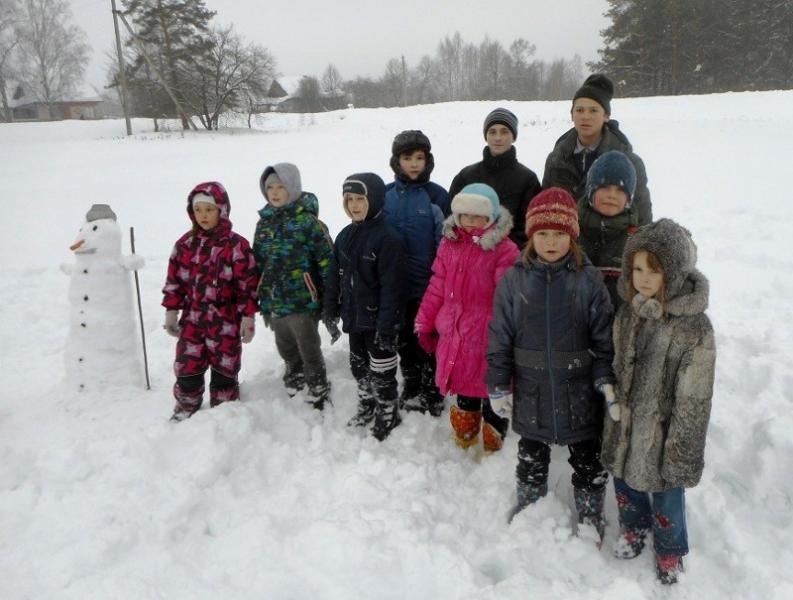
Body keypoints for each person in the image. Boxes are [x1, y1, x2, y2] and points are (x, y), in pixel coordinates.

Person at [486, 188, 615, 540]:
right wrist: (497, 383)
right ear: (531, 235)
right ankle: (529, 507)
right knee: (530, 456)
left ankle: (591, 516)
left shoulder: (588, 281)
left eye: (559, 234)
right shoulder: (514, 281)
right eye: (543, 233)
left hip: (579, 391)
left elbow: (604, 339)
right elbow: (500, 336)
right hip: (532, 390)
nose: (551, 242)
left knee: (588, 459)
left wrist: (605, 379)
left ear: (571, 235)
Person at [600, 219, 715, 585]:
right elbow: (617, 363)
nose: (644, 278)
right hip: (626, 421)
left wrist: (681, 450)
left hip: (665, 433)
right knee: (625, 480)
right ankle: (633, 527)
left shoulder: (694, 327)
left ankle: (670, 548)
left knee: (666, 493)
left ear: (676, 273)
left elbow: (695, 396)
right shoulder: (628, 312)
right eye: (637, 268)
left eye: (655, 270)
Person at [414, 183, 519, 451]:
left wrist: (509, 335)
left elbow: (510, 299)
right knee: (463, 386)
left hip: (488, 337)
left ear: (492, 217)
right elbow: (437, 285)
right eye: (466, 215)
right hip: (456, 335)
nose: (471, 222)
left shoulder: (504, 250)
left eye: (478, 216)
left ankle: (493, 441)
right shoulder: (450, 245)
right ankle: (465, 435)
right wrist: (425, 320)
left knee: (490, 389)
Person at [162, 182, 259, 421]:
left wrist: (247, 317)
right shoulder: (185, 245)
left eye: (209, 210)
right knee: (187, 366)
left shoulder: (236, 246)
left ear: (222, 210)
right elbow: (175, 281)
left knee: (224, 368)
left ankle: (223, 409)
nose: (203, 216)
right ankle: (187, 404)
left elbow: (247, 287)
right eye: (198, 210)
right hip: (193, 319)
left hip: (225, 320)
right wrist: (171, 312)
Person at [322, 173, 407, 441]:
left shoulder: (388, 239)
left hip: (380, 324)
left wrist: (387, 326)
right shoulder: (345, 235)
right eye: (349, 199)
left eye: (361, 199)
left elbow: (393, 289)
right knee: (359, 366)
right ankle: (367, 402)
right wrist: (329, 309)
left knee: (382, 371)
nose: (355, 205)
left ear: (375, 200)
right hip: (355, 319)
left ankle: (387, 410)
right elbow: (334, 276)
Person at [252, 163, 335, 409]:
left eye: (281, 186)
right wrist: (260, 293)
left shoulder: (308, 222)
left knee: (308, 345)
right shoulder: (263, 224)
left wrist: (330, 296)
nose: (275, 192)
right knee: (285, 344)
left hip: (302, 299)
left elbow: (326, 261)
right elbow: (258, 261)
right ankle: (294, 373)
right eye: (270, 187)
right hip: (275, 300)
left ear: (294, 188)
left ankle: (317, 382)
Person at [384, 130, 451, 416]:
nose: (413, 164)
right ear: (397, 161)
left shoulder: (437, 196)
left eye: (419, 158)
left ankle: (433, 388)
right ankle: (411, 382)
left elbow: (448, 243)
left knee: (430, 338)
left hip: (429, 287)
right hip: (397, 287)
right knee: (405, 339)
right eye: (407, 158)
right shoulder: (386, 196)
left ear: (428, 161)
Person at [542, 73, 652, 226]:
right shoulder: (556, 159)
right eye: (579, 110)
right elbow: (544, 210)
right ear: (572, 115)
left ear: (606, 115)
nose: (585, 116)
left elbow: (642, 218)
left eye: (593, 111)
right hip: (565, 246)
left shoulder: (630, 162)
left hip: (613, 246)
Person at [449, 108, 542, 247]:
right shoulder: (466, 176)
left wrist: (502, 248)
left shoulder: (527, 179)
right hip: (468, 257)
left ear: (514, 136)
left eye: (504, 131)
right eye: (492, 132)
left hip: (510, 259)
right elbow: (452, 218)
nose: (498, 137)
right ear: (486, 136)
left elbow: (530, 225)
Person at [578, 150, 640, 307]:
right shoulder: (572, 231)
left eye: (620, 190)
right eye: (605, 187)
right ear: (591, 191)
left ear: (629, 198)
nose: (612, 195)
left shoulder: (636, 240)